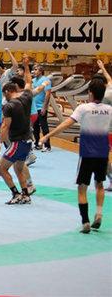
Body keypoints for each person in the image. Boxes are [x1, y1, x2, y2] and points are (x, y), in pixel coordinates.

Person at [41, 79, 111, 233]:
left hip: (87, 154)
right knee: (100, 184)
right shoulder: (109, 109)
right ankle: (99, 214)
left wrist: (48, 136)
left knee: (82, 188)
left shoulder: (83, 108)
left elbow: (65, 124)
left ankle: (85, 221)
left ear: (90, 93)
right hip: (103, 153)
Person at [0, 82, 34, 205]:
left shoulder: (8, 106)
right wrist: (27, 71)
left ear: (7, 91)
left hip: (17, 142)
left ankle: (16, 194)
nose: (5, 97)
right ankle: (26, 195)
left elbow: (5, 126)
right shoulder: (27, 98)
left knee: (2, 169)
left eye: (4, 95)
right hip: (28, 141)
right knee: (18, 169)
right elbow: (28, 84)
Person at [95, 59, 112, 192]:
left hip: (107, 131)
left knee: (102, 158)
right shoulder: (110, 88)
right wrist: (103, 68)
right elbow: (109, 79)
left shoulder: (103, 96)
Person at [32, 65, 52, 152]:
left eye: (36, 69)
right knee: (35, 127)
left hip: (41, 107)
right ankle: (37, 143)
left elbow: (48, 94)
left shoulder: (46, 80)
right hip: (34, 108)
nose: (34, 71)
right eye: (33, 70)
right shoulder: (33, 81)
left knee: (44, 127)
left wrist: (44, 107)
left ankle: (47, 145)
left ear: (41, 71)